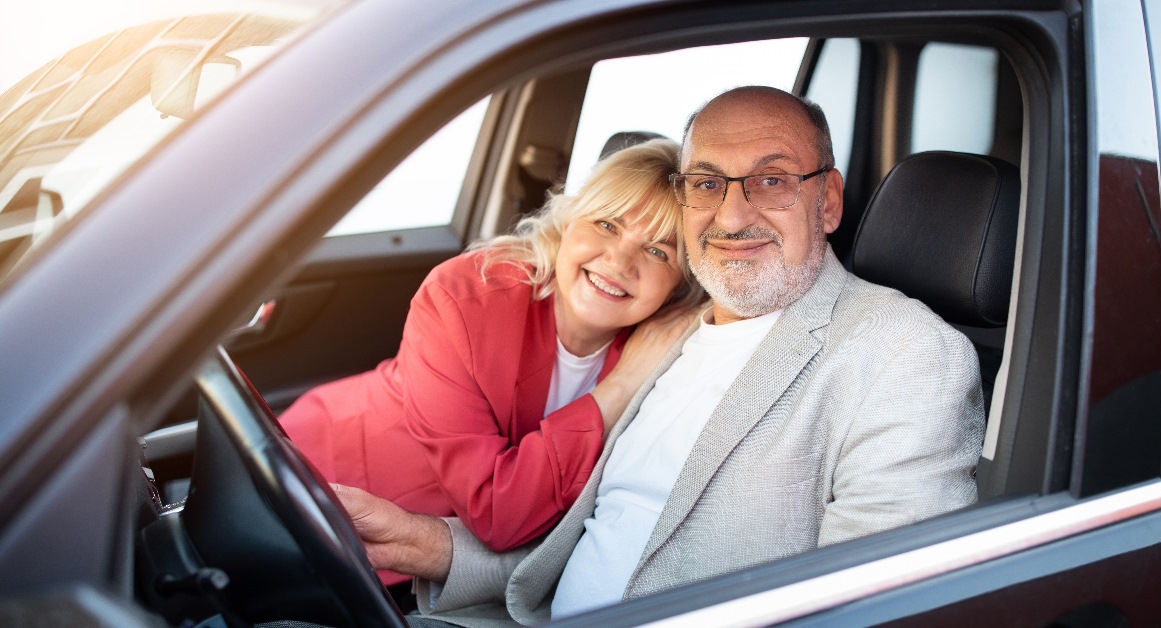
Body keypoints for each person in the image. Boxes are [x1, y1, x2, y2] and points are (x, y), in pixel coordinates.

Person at [333, 86, 986, 625]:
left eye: (771, 180)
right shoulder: (665, 331)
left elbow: (875, 609)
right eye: (707, 182)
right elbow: (609, 533)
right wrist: (431, 545)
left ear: (830, 200)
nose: (732, 214)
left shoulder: (905, 353)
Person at [279, 138, 708, 573]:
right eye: (607, 225)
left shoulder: (676, 346)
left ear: (679, 283)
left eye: (658, 250)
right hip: (320, 484)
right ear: (569, 222)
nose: (619, 260)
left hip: (431, 560)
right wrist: (619, 387)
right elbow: (496, 513)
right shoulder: (466, 297)